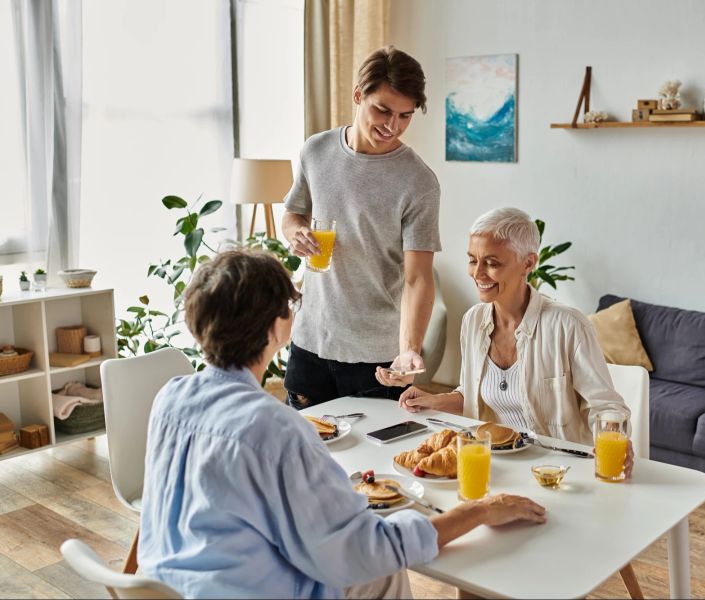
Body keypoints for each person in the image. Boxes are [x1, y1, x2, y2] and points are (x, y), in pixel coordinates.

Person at [138, 250, 546, 599]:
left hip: (167, 588)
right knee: (381, 570)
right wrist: (476, 511)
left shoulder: (170, 398)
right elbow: (361, 550)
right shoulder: (276, 429)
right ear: (279, 327)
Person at [399, 208, 634, 473]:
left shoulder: (568, 325)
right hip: (494, 467)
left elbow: (606, 408)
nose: (478, 273)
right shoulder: (473, 321)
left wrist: (615, 437)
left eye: (492, 263)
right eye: (472, 260)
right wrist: (433, 400)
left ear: (528, 263)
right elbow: (471, 395)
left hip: (558, 471)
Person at [281, 46, 440, 407]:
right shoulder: (315, 151)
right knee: (304, 458)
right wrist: (296, 235)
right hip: (310, 343)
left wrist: (409, 349)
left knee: (373, 461)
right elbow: (293, 214)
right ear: (358, 95)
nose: (392, 125)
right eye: (382, 110)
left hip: (376, 359)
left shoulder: (418, 182)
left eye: (405, 116)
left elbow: (418, 278)